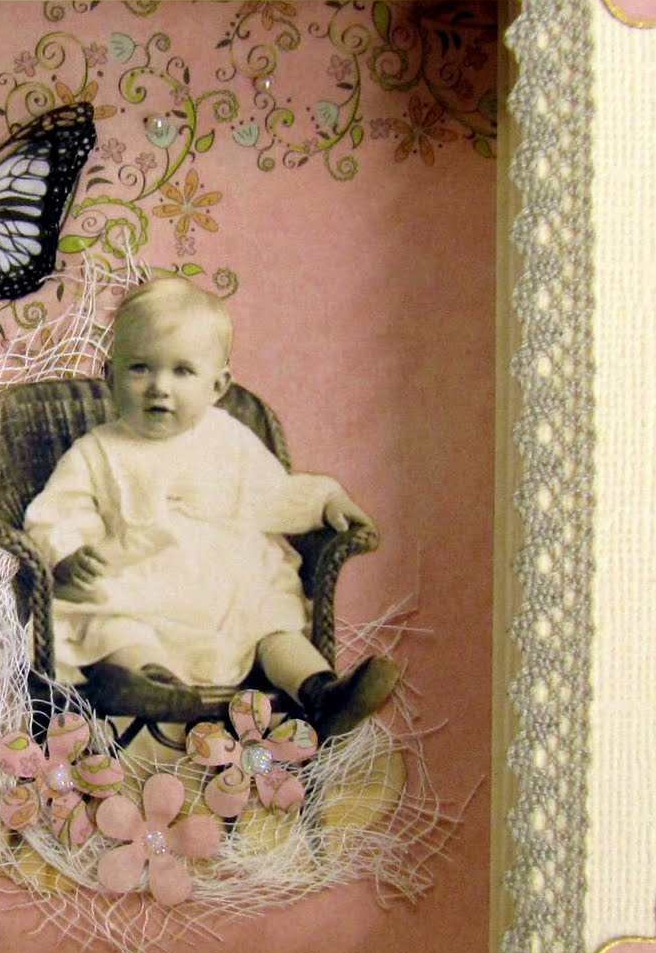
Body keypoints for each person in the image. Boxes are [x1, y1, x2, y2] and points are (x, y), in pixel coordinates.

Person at [22, 276, 398, 739]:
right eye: (140, 368)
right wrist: (68, 553)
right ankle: (152, 681)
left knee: (272, 618)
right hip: (140, 580)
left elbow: (273, 495)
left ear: (217, 385)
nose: (159, 387)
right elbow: (61, 510)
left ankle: (321, 692)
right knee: (111, 622)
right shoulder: (97, 449)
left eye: (182, 371)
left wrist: (326, 501)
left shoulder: (229, 439)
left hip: (228, 583)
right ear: (110, 375)